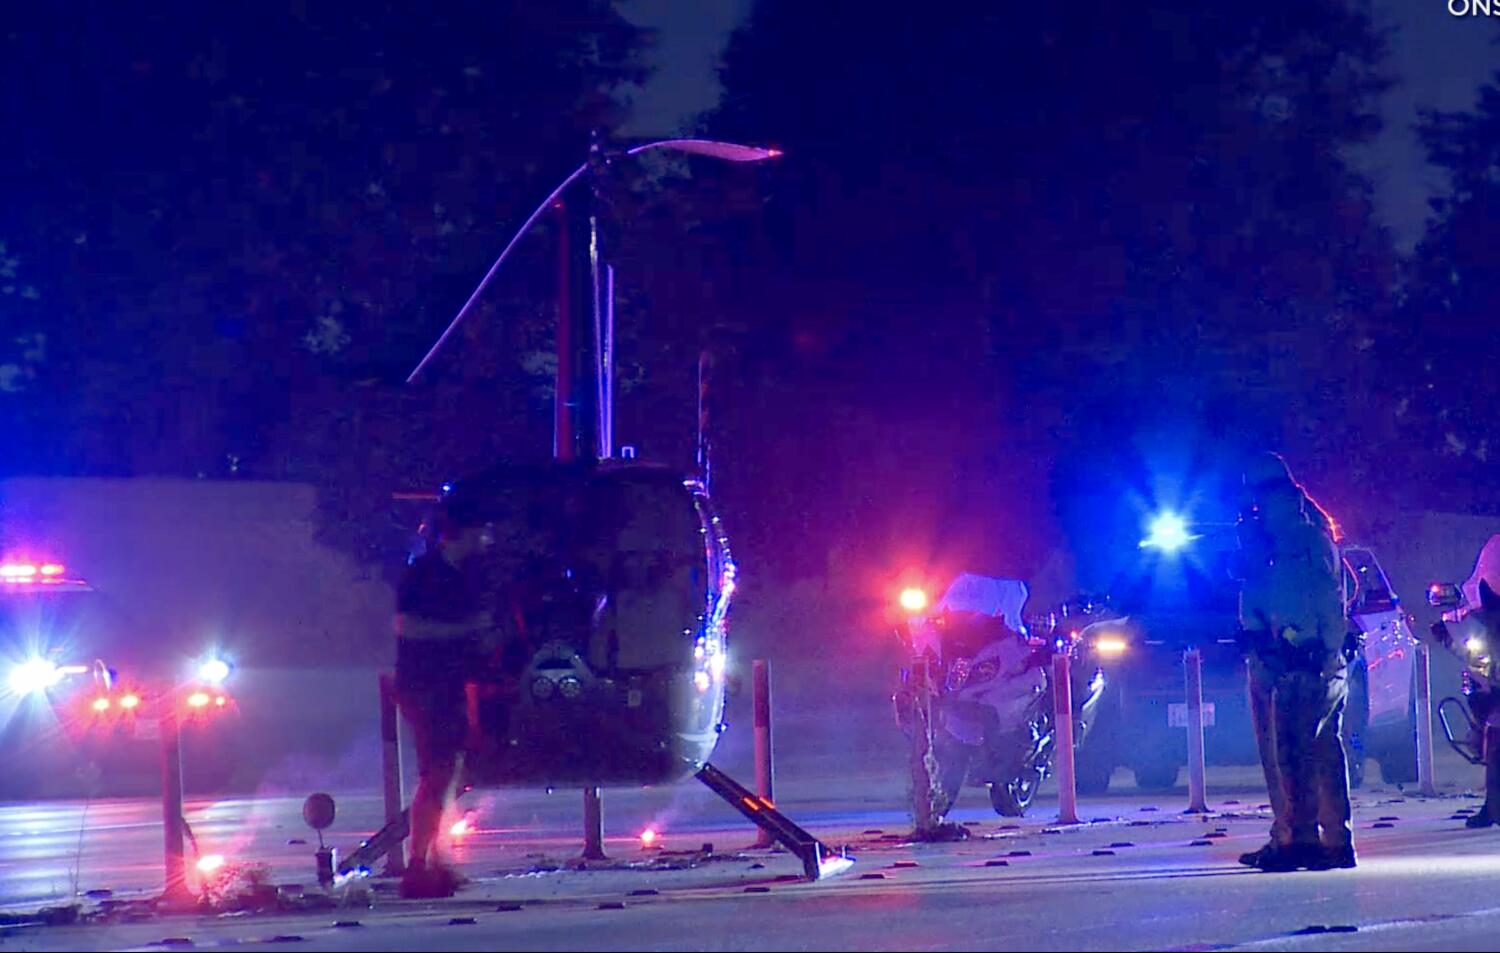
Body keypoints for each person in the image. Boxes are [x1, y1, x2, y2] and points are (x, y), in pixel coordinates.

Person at [1234, 452, 1355, 872]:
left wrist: (1306, 646)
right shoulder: (1311, 535)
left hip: (1293, 661)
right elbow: (1343, 589)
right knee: (1322, 750)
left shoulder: (1287, 541)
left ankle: (1296, 840)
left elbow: (1309, 596)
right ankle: (1334, 840)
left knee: (1287, 755)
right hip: (1313, 657)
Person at [394, 496, 494, 898]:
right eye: (481, 531)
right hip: (426, 683)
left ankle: (436, 860)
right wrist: (467, 630)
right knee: (437, 771)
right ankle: (418, 864)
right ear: (462, 533)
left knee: (448, 771)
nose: (487, 539)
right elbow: (408, 626)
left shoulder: (462, 575)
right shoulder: (425, 574)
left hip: (449, 684)